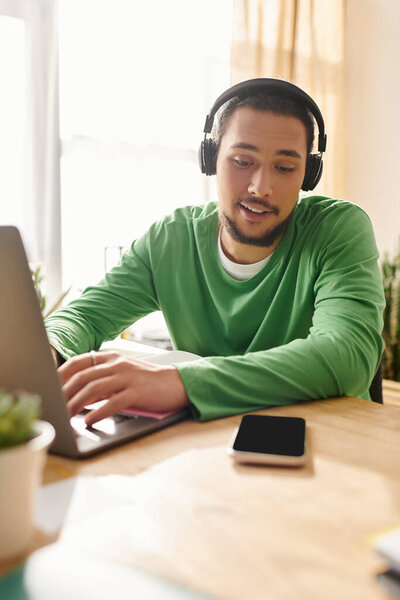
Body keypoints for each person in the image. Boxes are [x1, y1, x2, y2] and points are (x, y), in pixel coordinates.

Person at [45, 78, 385, 427]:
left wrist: (181, 383)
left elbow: (347, 356)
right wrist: (47, 351)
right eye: (241, 161)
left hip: (327, 441)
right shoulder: (171, 239)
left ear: (307, 175)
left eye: (284, 168)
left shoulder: (338, 229)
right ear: (211, 160)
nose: (260, 187)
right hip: (210, 444)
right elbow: (82, 317)